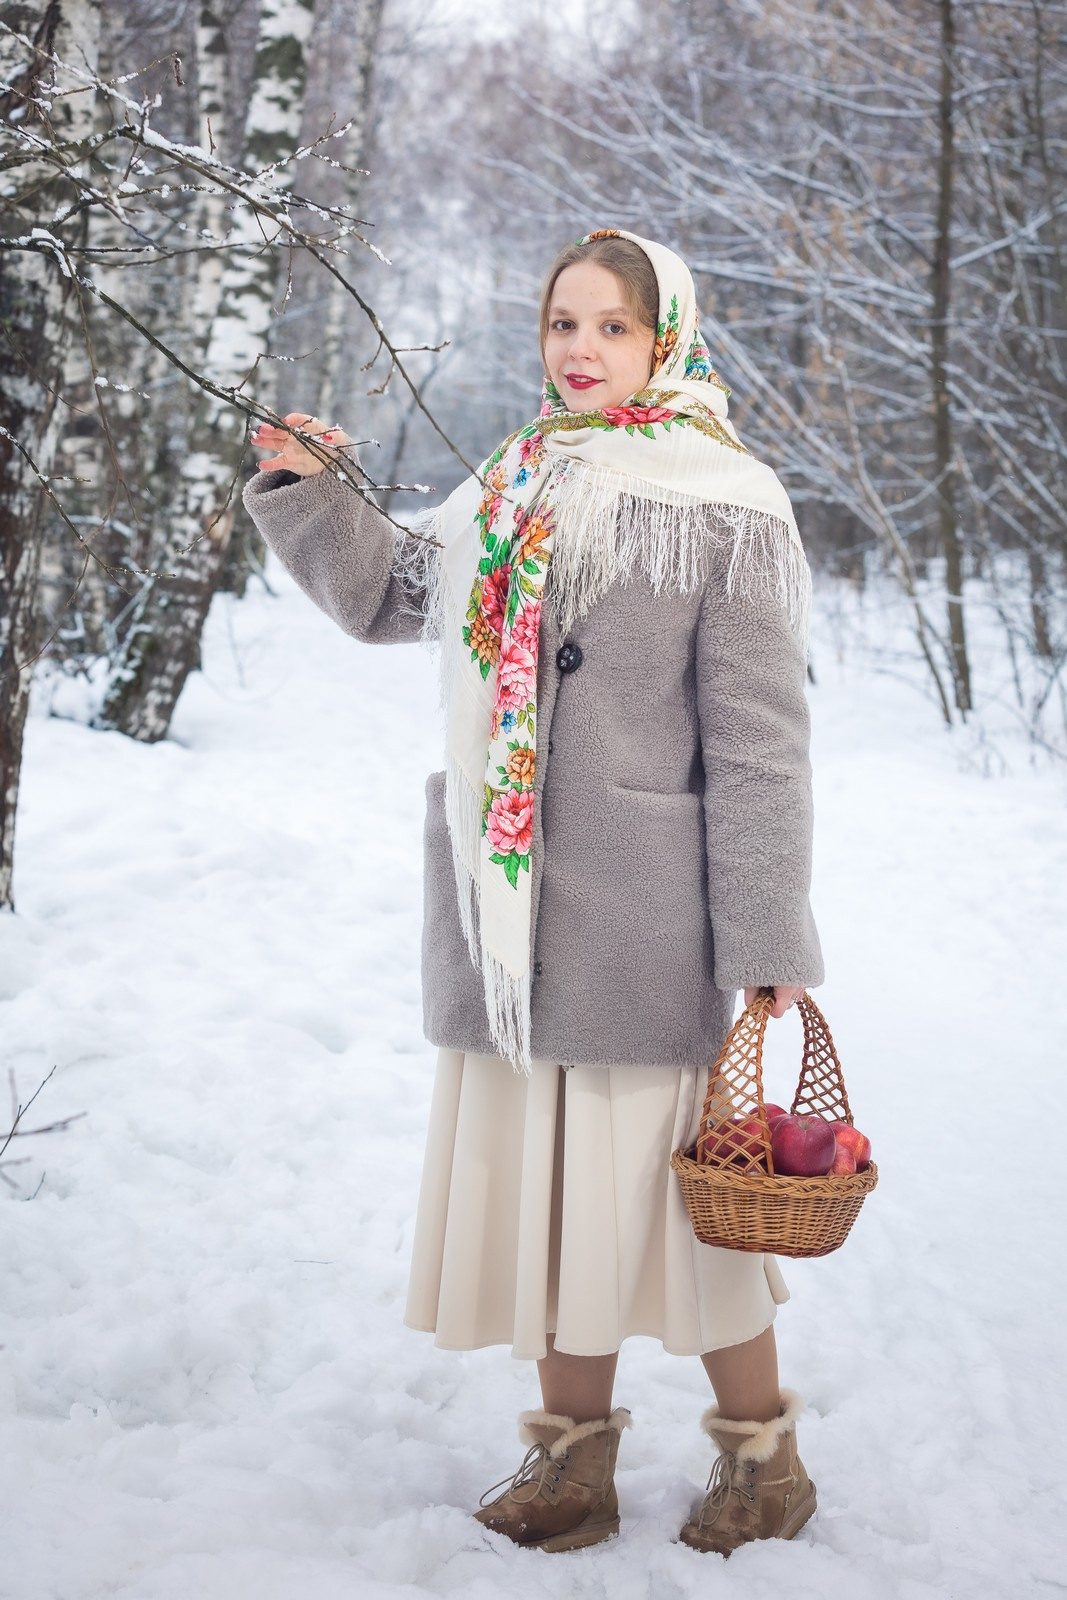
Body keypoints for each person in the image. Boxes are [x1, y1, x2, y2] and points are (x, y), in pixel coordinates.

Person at [244, 228, 823, 1557]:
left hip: (642, 921)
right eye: (564, 322)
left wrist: (767, 933)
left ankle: (765, 1462)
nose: (582, 350)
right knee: (559, 1209)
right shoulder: (511, 482)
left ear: (665, 338)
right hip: (509, 924)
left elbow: (757, 741)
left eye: (614, 326)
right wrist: (308, 482)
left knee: (684, 1218)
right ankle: (570, 1469)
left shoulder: (728, 502)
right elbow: (394, 597)